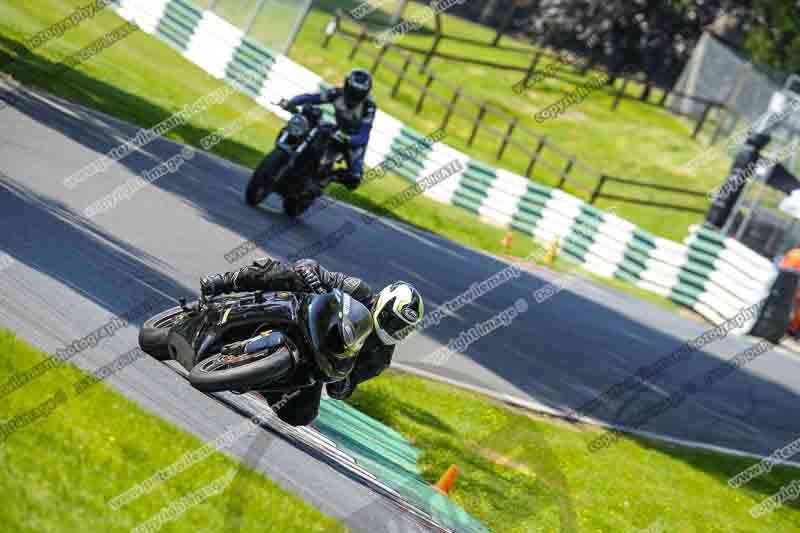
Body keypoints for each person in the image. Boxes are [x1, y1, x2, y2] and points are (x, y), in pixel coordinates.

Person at [200, 257, 423, 426]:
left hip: (313, 360)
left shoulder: (380, 357)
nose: (396, 330)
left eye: (404, 329)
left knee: (301, 415)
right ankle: (223, 282)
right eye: (394, 322)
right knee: (282, 272)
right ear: (384, 304)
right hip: (301, 315)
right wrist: (310, 274)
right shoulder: (359, 290)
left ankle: (258, 376)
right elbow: (316, 269)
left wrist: (343, 386)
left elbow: (346, 387)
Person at [282, 68, 375, 191]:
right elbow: (312, 97)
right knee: (307, 122)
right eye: (352, 90)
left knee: (355, 178)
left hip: (354, 139)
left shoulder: (369, 107)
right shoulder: (337, 93)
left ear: (365, 93)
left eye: (358, 93)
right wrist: (292, 102)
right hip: (338, 129)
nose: (354, 95)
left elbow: (364, 135)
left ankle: (327, 178)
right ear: (346, 85)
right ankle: (289, 153)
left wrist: (349, 139)